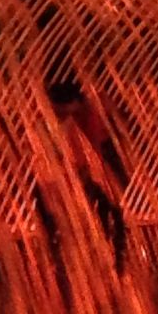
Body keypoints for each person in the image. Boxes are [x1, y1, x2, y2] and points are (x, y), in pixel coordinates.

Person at [41, 77, 128, 276]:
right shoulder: (79, 117)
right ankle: (109, 257)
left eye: (57, 107)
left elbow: (91, 150)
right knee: (104, 208)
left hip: (101, 166)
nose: (54, 112)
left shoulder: (87, 116)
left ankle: (113, 257)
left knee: (108, 208)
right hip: (95, 168)